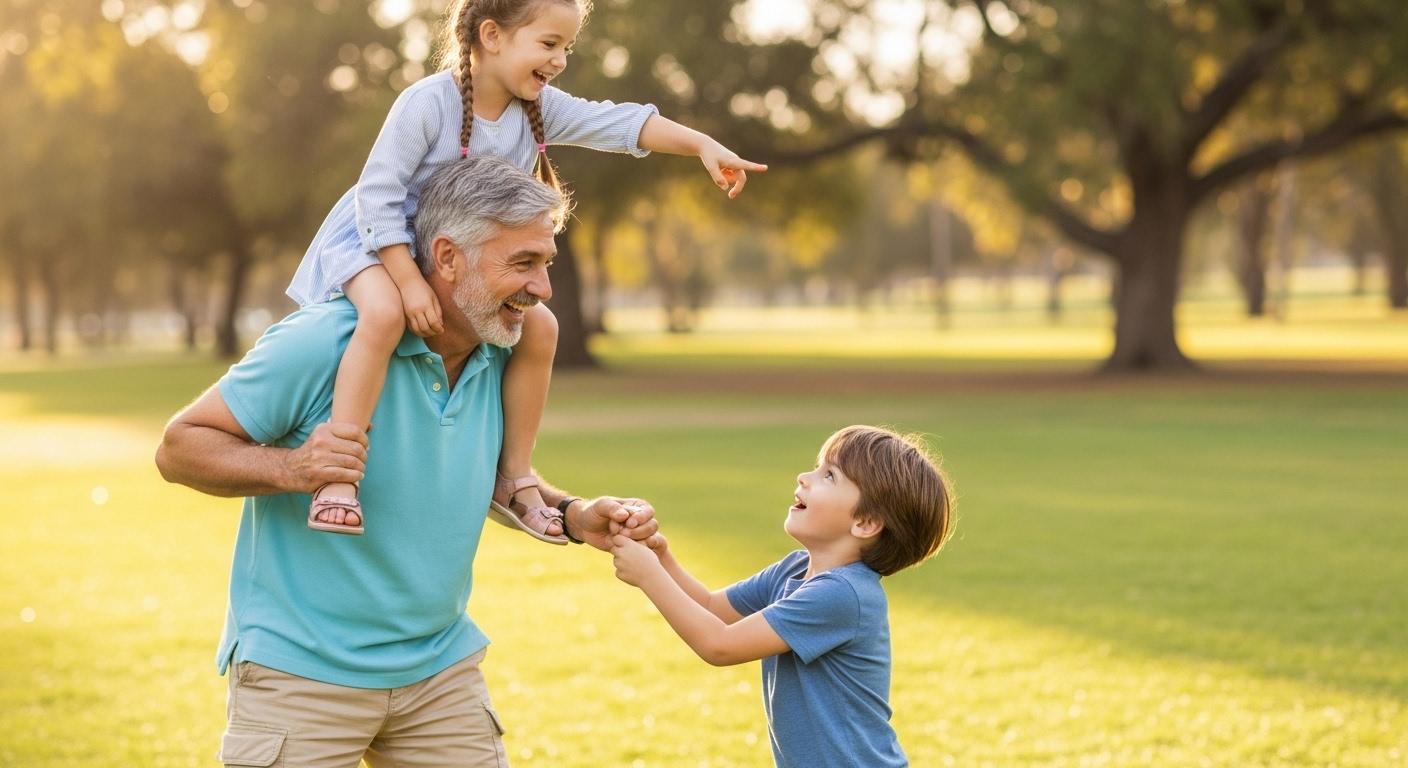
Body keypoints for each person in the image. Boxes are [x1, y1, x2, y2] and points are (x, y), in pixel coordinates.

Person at [156, 155, 658, 768]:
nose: (543, 288)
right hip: (301, 675)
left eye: (545, 263)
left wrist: (575, 516)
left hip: (439, 672)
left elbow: (498, 481)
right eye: (522, 263)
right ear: (446, 258)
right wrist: (294, 469)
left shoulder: (504, 350)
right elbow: (179, 447)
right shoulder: (325, 342)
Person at [292, 0, 767, 540]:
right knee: (382, 315)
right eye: (548, 44)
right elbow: (376, 199)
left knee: (542, 327)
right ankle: (336, 476)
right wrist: (405, 282)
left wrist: (702, 144)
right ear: (492, 35)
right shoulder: (426, 103)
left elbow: (622, 123)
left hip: (450, 255)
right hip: (381, 242)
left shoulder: (537, 107)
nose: (561, 59)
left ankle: (514, 478)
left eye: (566, 47)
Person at [609, 425, 955, 768]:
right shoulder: (795, 570)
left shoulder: (844, 594)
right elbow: (712, 608)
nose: (805, 476)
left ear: (865, 523)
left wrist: (648, 575)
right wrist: (660, 556)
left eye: (829, 476)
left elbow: (719, 645)